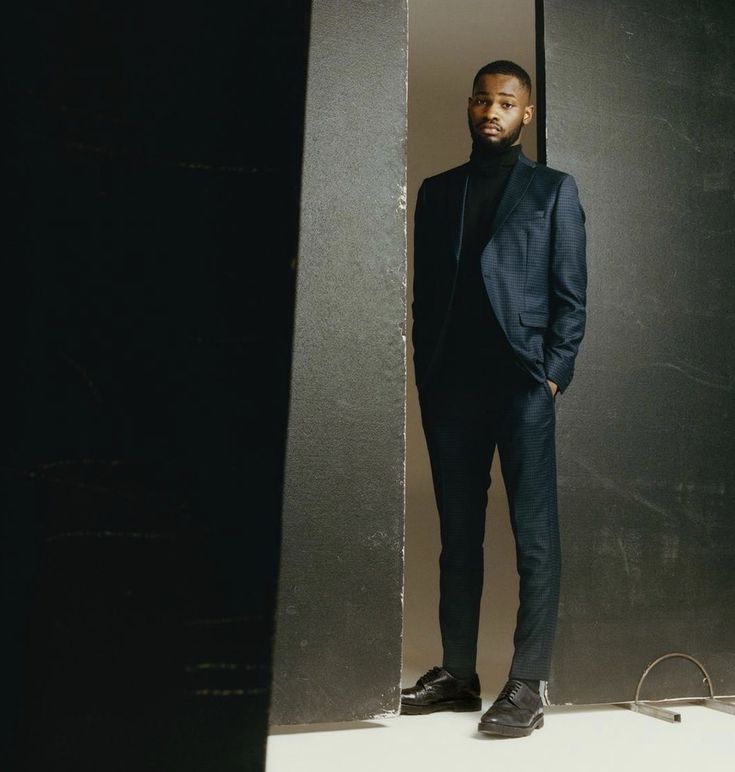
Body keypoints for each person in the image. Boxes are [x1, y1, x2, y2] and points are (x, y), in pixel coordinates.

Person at [401, 60, 587, 737]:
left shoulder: (551, 191)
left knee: (534, 539)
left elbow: (571, 296)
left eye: (504, 102)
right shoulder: (437, 191)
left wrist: (553, 372)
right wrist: (426, 370)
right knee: (457, 537)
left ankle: (529, 683)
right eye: (481, 100)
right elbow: (426, 296)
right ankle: (456, 674)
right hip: (451, 389)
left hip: (520, 386)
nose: (490, 111)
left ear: (525, 114)